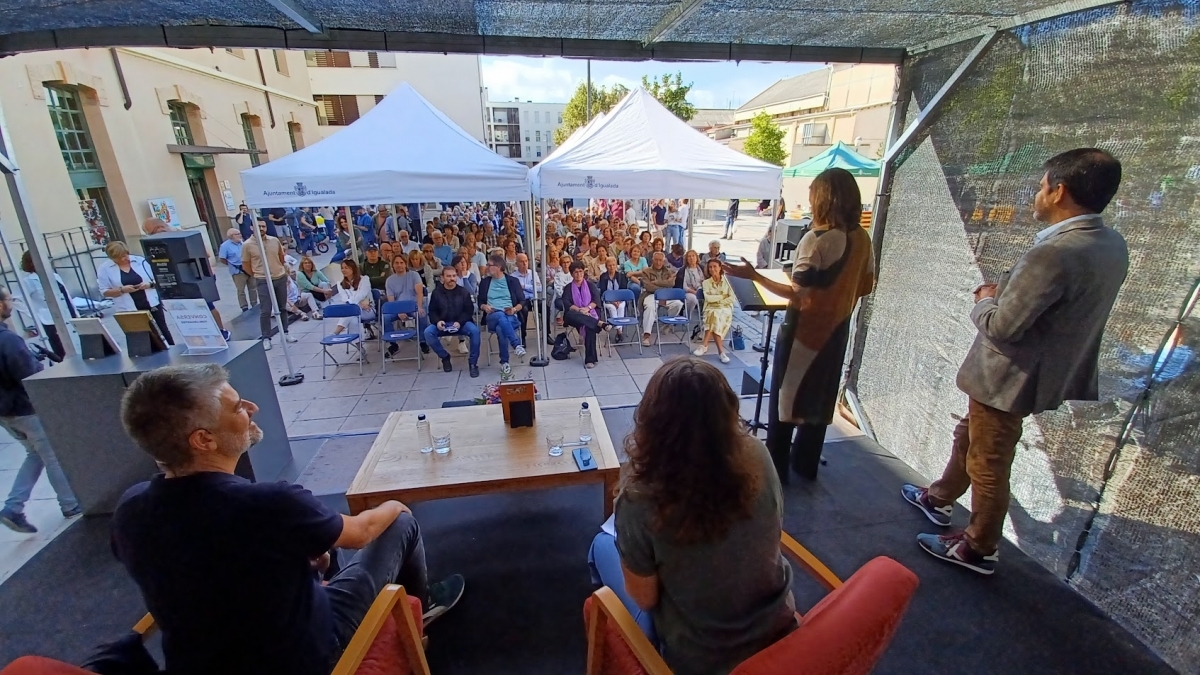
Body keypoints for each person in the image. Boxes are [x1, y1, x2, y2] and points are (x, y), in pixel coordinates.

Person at [112, 364, 464, 675]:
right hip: (309, 654)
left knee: (322, 552)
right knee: (398, 524)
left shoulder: (130, 509)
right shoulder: (268, 504)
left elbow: (199, 558)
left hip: (203, 661)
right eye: (237, 407)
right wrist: (394, 503)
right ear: (204, 439)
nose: (252, 408)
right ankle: (422, 613)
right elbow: (362, 532)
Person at [902, 149, 1128, 575]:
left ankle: (977, 546)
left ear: (1059, 191)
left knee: (987, 463)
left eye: (1041, 186)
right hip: (1039, 374)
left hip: (1007, 378)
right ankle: (938, 497)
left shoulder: (1054, 253)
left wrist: (986, 301)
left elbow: (1003, 327)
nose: (1036, 195)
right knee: (969, 436)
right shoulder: (1111, 245)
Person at [588, 357, 796, 675]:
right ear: (727, 409)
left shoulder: (640, 495)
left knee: (601, 546)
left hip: (703, 659)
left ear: (652, 419)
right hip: (779, 626)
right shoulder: (757, 453)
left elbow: (645, 598)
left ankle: (632, 647)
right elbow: (773, 525)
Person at [724, 168, 875, 483]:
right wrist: (837, 298)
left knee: (786, 399)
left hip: (804, 334)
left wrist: (755, 276)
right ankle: (805, 466)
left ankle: (777, 473)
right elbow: (866, 286)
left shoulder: (816, 239)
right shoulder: (862, 238)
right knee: (819, 400)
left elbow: (797, 294)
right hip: (837, 332)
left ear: (824, 198)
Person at [0, 286, 79, 533]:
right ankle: (70, 504)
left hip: (5, 412)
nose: (11, 303)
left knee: (35, 453)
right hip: (25, 407)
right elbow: (29, 374)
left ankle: (13, 507)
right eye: (8, 299)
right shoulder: (8, 340)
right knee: (51, 453)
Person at [98, 241, 174, 345]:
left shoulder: (140, 261)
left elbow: (158, 279)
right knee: (140, 336)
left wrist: (149, 285)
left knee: (163, 330)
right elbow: (104, 292)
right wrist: (122, 290)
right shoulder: (104, 269)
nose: (124, 259)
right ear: (111, 258)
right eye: (119, 258)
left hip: (151, 303)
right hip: (128, 307)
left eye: (125, 255)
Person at [241, 220, 295, 351]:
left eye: (263, 226)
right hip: (263, 280)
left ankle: (286, 333)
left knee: (282, 307)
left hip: (279, 277)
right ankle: (266, 337)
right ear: (251, 227)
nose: (261, 228)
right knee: (265, 310)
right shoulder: (247, 245)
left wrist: (280, 270)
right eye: (258, 226)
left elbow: (281, 257)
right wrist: (257, 274)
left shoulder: (274, 240)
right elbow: (246, 264)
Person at [424, 266, 481, 378]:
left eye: (454, 276)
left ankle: (473, 363)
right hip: (443, 324)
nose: (452, 278)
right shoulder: (436, 293)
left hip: (461, 324)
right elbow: (432, 311)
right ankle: (445, 357)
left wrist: (460, 322)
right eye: (448, 276)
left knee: (475, 331)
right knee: (428, 332)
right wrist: (437, 322)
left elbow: (469, 310)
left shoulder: (463, 292)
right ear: (442, 278)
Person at [18, 250, 76, 360]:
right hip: (50, 320)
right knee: (61, 351)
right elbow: (17, 300)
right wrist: (35, 314)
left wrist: (75, 312)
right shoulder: (28, 281)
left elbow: (66, 295)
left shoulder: (54, 276)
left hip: (68, 315)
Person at [477, 253, 527, 380]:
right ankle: (516, 344)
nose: (487, 267)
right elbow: (480, 302)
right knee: (499, 315)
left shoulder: (512, 281)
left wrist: (514, 309)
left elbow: (522, 301)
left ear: (498, 267)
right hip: (492, 316)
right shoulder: (485, 282)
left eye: (490, 265)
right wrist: (485, 307)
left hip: (510, 315)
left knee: (501, 328)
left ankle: (505, 362)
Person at [561, 262, 607, 368]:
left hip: (590, 313)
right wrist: (579, 310)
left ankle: (590, 360)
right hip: (574, 316)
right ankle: (599, 323)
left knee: (589, 327)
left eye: (580, 271)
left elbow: (596, 300)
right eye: (576, 272)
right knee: (572, 315)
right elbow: (567, 303)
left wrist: (587, 308)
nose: (578, 274)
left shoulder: (591, 285)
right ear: (572, 274)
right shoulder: (568, 288)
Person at [383, 254, 428, 358]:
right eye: (396, 263)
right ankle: (393, 344)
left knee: (422, 314)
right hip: (398, 307)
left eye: (401, 263)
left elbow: (419, 293)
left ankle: (422, 341)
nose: (399, 265)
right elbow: (391, 299)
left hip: (414, 305)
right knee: (385, 318)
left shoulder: (414, 275)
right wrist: (398, 311)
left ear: (405, 264)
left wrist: (419, 306)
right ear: (392, 265)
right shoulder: (389, 280)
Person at [693, 258, 735, 364]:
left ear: (720, 268)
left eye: (715, 266)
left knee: (715, 316)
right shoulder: (706, 283)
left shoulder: (728, 281)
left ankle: (704, 345)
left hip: (725, 309)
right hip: (710, 308)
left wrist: (717, 300)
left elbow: (732, 298)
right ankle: (721, 352)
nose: (712, 269)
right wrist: (722, 296)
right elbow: (708, 299)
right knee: (715, 315)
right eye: (710, 267)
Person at [637, 251, 681, 347]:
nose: (658, 262)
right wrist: (664, 285)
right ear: (652, 260)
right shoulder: (646, 271)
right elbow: (649, 287)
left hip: (666, 295)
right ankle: (646, 335)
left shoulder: (668, 271)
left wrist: (656, 282)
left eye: (660, 260)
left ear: (663, 261)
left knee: (678, 304)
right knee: (650, 307)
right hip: (650, 294)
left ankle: (667, 325)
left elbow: (671, 284)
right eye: (656, 260)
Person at [332, 260, 375, 338]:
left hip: (368, 310)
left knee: (350, 312)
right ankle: (359, 346)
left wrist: (353, 305)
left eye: (346, 268)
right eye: (342, 268)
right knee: (353, 319)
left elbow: (361, 295)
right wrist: (358, 305)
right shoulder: (340, 284)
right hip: (355, 310)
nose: (343, 270)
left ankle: (336, 332)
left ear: (353, 269)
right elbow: (344, 298)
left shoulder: (364, 279)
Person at [218, 228, 257, 311]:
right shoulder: (225, 246)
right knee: (241, 290)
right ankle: (244, 306)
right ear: (231, 236)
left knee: (253, 287)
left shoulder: (243, 243)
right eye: (238, 234)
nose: (240, 235)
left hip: (248, 268)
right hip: (237, 271)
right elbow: (222, 259)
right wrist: (231, 264)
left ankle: (254, 303)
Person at [674, 249, 705, 329]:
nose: (691, 258)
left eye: (693, 256)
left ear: (696, 257)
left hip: (703, 290)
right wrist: (694, 292)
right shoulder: (683, 270)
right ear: (686, 259)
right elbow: (684, 287)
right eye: (689, 256)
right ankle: (687, 315)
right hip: (689, 292)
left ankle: (705, 321)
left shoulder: (702, 269)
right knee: (693, 299)